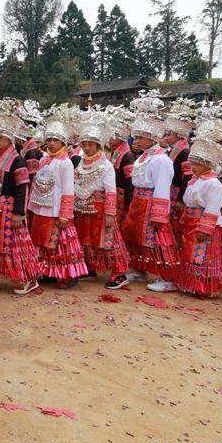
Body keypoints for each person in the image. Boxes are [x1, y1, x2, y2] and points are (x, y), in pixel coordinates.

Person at [0, 99, 41, 294]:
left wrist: (20, 212)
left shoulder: (17, 159)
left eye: (0, 137)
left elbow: (22, 187)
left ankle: (28, 278)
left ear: (10, 138)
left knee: (14, 244)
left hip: (8, 208)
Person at [121, 91, 179, 292]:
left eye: (140, 137)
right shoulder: (143, 157)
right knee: (136, 237)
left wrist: (159, 214)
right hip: (138, 202)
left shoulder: (161, 159)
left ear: (152, 138)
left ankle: (168, 277)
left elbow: (162, 188)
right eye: (136, 136)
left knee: (158, 240)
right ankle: (139, 269)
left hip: (151, 204)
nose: (136, 140)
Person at [27, 106, 88, 290]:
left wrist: (65, 214)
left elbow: (68, 190)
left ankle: (67, 274)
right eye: (49, 140)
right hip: (41, 207)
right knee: (42, 239)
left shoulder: (66, 163)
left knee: (59, 243)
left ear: (63, 142)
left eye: (56, 140)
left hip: (56, 210)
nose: (52, 143)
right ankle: (47, 270)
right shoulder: (45, 159)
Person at [73, 111, 130, 290]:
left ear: (98, 145)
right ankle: (90, 268)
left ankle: (119, 273)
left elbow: (111, 191)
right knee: (85, 240)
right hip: (82, 208)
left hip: (100, 210)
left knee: (108, 241)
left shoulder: (106, 165)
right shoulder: (81, 163)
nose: (87, 147)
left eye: (90, 144)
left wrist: (110, 214)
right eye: (84, 144)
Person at [176, 125, 222, 297]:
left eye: (198, 164)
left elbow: (213, 208)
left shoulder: (213, 183)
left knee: (203, 256)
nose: (193, 167)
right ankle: (192, 284)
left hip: (204, 224)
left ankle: (206, 287)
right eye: (192, 163)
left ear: (207, 164)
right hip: (192, 221)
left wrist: (205, 229)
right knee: (191, 253)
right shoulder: (194, 181)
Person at [164, 98, 196, 238]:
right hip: (172, 190)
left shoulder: (184, 152)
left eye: (169, 135)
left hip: (177, 191)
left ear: (178, 135)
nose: (166, 137)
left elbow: (188, 177)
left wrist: (181, 199)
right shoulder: (174, 150)